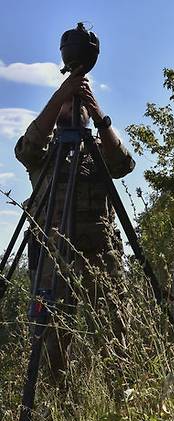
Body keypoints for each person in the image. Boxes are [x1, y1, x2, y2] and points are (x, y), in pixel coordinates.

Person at [15, 66, 135, 380]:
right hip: (54, 257)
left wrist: (99, 113)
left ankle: (120, 397)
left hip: (101, 257)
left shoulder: (98, 149)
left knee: (114, 331)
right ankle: (60, 402)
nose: (74, 105)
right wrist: (61, 94)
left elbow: (124, 164)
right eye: (69, 102)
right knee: (51, 340)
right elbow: (26, 148)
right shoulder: (44, 154)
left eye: (78, 100)